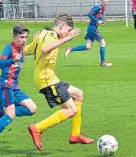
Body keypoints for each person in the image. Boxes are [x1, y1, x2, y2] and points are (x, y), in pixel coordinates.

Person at [26, 13, 94, 151]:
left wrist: (23, 49)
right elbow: (45, 49)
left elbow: (28, 50)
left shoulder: (44, 33)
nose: (67, 34)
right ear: (61, 26)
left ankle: (75, 135)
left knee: (78, 94)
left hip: (51, 78)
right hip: (47, 80)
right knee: (71, 110)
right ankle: (37, 128)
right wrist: (66, 39)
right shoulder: (51, 36)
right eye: (67, 31)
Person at [0, 24, 37, 148]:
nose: (24, 40)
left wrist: (35, 43)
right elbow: (0, 64)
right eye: (21, 37)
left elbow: (30, 50)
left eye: (26, 37)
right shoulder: (9, 48)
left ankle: (0, 112)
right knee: (10, 114)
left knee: (32, 108)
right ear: (14, 37)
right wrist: (12, 60)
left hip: (14, 87)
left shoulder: (21, 48)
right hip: (5, 85)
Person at [65, 0, 113, 67]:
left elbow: (98, 16)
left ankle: (70, 49)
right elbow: (89, 14)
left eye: (107, 1)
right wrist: (97, 20)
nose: (106, 3)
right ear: (101, 1)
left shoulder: (102, 9)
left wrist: (102, 21)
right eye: (105, 1)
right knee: (103, 43)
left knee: (88, 47)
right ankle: (103, 62)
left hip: (92, 28)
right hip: (92, 28)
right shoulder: (98, 7)